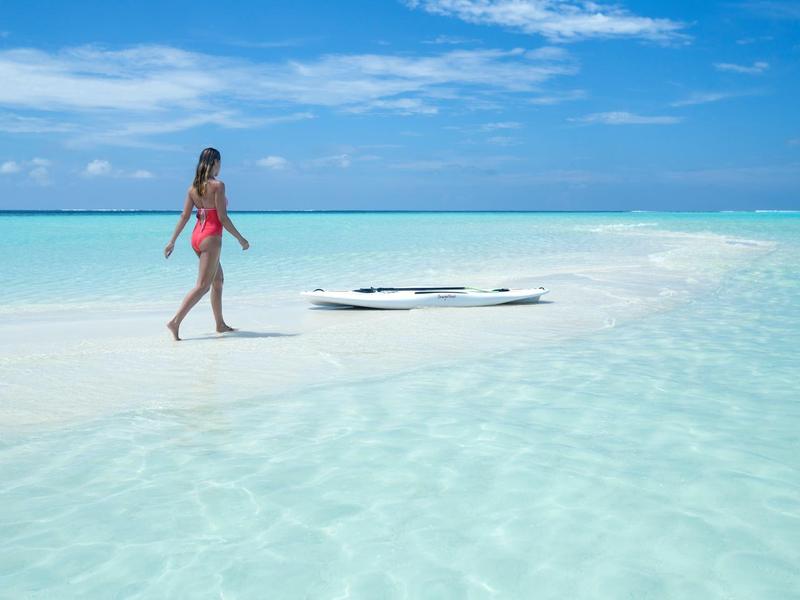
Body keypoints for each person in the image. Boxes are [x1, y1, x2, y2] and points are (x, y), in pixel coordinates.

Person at [164, 147, 249, 341]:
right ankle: (175, 321)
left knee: (217, 280)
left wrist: (172, 241)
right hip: (211, 238)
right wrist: (240, 238)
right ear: (215, 162)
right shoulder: (218, 186)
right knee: (203, 286)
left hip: (196, 237)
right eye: (220, 163)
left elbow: (185, 216)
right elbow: (223, 218)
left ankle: (220, 324)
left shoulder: (193, 188)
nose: (220, 167)